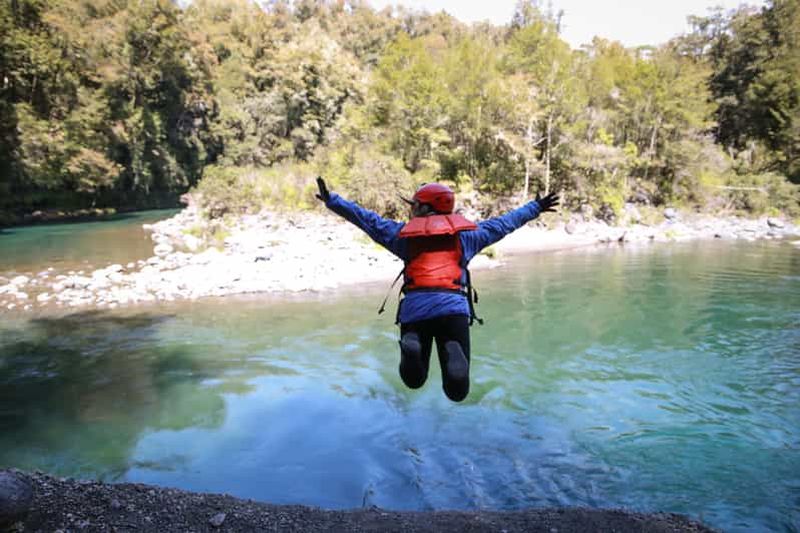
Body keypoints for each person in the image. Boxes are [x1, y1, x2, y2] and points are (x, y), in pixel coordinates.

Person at [316, 177, 559, 402]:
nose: (411, 209)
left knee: (413, 380)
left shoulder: (402, 236)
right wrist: (535, 207)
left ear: (424, 208)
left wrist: (332, 201)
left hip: (415, 310)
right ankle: (453, 348)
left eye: (415, 204)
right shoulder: (468, 237)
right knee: (457, 391)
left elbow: (367, 220)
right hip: (453, 310)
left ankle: (412, 345)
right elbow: (504, 223)